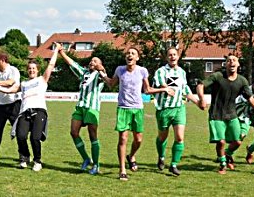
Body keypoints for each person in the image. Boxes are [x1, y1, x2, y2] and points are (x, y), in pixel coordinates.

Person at [101, 47, 173, 181]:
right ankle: (122, 169)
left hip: (138, 108)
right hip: (123, 108)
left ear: (137, 58)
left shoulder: (142, 71)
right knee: (123, 138)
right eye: (128, 53)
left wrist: (163, 89)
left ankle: (131, 156)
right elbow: (111, 84)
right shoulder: (120, 70)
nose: (130, 55)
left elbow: (147, 90)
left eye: (133, 53)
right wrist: (102, 72)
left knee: (138, 140)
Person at [0, 49, 57, 171]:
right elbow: (10, 90)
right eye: (29, 68)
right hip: (24, 111)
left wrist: (56, 50)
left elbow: (51, 65)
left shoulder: (42, 80)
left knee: (35, 138)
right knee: (20, 136)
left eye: (34, 68)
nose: (31, 70)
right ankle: (24, 157)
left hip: (39, 111)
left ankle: (37, 161)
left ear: (38, 70)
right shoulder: (24, 84)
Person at [196, 55, 254, 174]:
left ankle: (227, 154)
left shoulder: (242, 80)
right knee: (221, 141)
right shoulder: (218, 76)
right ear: (226, 64)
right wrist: (202, 98)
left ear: (238, 64)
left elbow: (250, 98)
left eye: (234, 60)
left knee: (238, 140)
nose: (231, 62)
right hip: (216, 114)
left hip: (232, 115)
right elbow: (200, 85)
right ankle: (222, 163)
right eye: (229, 60)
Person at [57, 43, 106, 174]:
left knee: (93, 136)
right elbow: (72, 63)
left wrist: (101, 68)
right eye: (91, 60)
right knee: (73, 132)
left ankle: (96, 165)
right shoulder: (84, 73)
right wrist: (61, 52)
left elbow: (106, 77)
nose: (92, 62)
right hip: (80, 107)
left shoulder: (99, 75)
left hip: (92, 108)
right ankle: (86, 158)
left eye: (95, 61)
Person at [151, 48, 200, 176]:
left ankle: (173, 164)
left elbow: (186, 90)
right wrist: (166, 88)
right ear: (166, 58)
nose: (172, 57)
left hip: (179, 108)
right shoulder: (161, 71)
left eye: (174, 55)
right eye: (170, 55)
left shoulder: (182, 72)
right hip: (164, 109)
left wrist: (197, 102)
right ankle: (161, 157)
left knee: (179, 137)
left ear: (178, 56)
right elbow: (159, 84)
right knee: (162, 137)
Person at [0, 52, 21, 165]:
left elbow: (11, 82)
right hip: (0, 105)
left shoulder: (13, 70)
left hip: (14, 104)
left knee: (20, 132)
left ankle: (23, 155)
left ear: (2, 60)